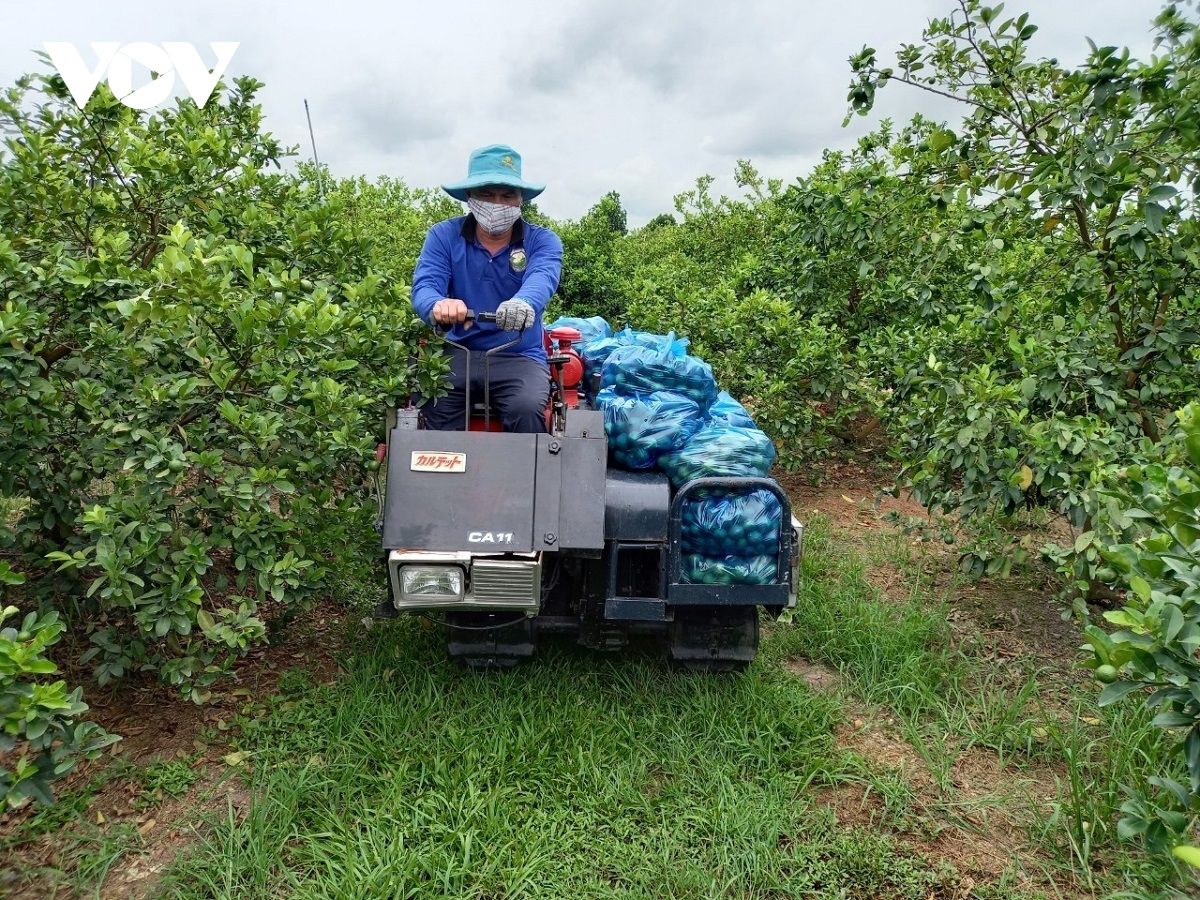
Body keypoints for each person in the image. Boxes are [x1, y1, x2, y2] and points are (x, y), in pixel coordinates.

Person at [410, 144, 564, 433]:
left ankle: (523, 477)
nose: (497, 203)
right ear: (470, 197)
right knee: (431, 404)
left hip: (518, 357)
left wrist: (523, 303)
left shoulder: (543, 241)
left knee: (527, 409)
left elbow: (542, 278)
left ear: (521, 200)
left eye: (507, 196)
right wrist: (437, 305)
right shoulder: (443, 236)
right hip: (455, 353)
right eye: (486, 194)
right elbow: (425, 286)